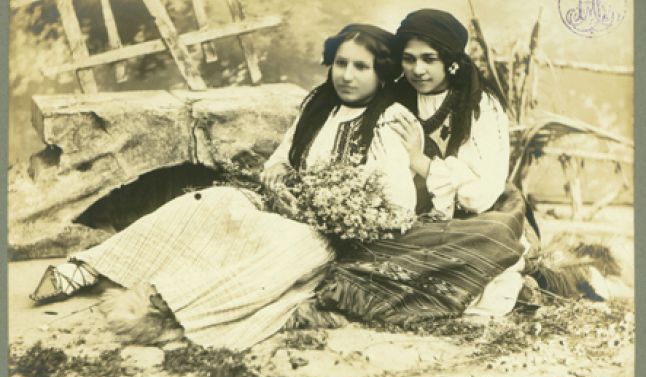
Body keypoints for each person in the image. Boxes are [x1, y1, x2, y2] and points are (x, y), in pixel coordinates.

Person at [29, 24, 419, 350]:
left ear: (382, 73)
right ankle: (90, 265)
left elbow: (398, 203)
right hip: (283, 205)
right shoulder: (319, 103)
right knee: (211, 201)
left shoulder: (389, 119)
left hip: (329, 232)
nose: (347, 76)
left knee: (290, 243)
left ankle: (174, 303)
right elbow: (283, 156)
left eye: (361, 67)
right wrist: (277, 172)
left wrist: (334, 210)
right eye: (341, 63)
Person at [315, 9, 535, 325]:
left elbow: (482, 194)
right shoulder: (394, 99)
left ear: (451, 60)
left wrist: (421, 162)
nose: (417, 70)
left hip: (474, 214)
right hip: (412, 218)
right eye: (409, 59)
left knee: (494, 235)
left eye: (429, 59)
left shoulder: (480, 106)